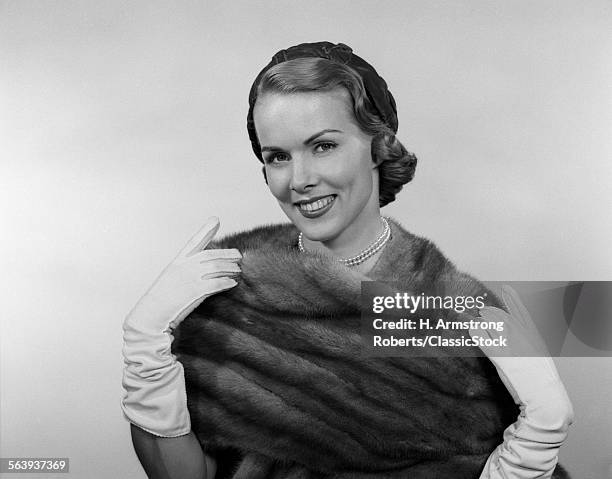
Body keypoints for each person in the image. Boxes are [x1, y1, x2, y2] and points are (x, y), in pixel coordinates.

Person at [121, 42, 574, 478]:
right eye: (278, 156)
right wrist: (145, 349)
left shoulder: (457, 307)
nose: (299, 180)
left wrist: (537, 436)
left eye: (323, 146)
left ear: (379, 144)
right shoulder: (225, 297)